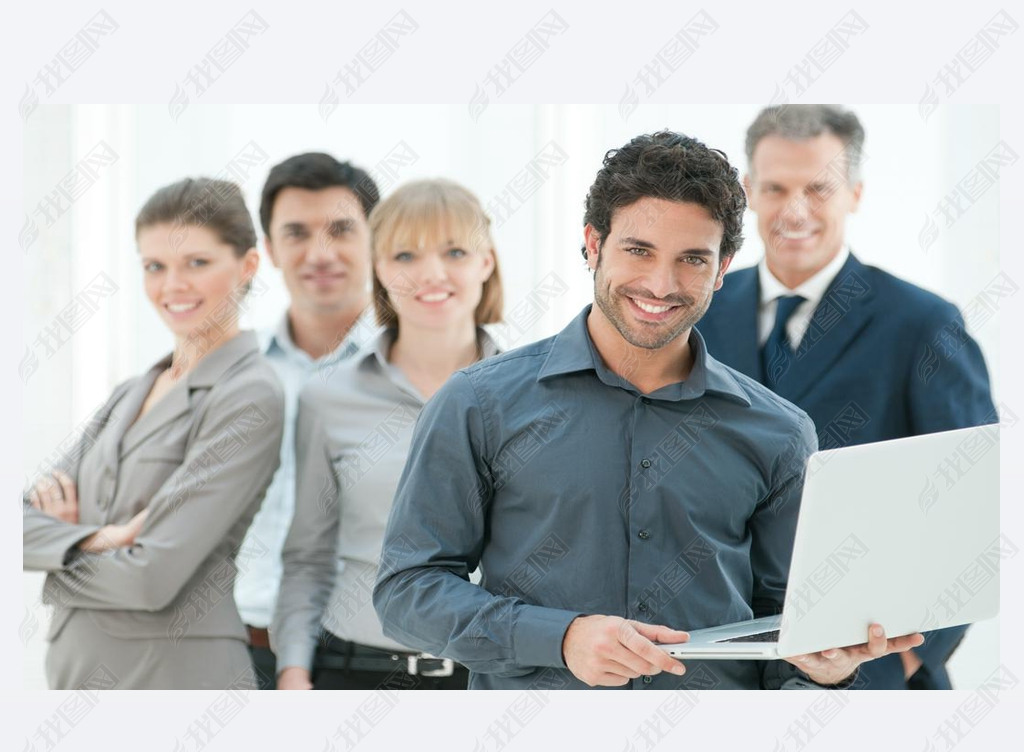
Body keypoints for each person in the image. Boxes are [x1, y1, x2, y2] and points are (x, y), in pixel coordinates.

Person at [373, 132, 922, 691]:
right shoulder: (478, 403)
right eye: (638, 250)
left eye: (692, 259)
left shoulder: (779, 432)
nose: (661, 285)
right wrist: (558, 638)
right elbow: (407, 591)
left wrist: (825, 674)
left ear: (723, 266)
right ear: (593, 244)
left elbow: (787, 629)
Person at [697, 105, 998, 690]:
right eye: (775, 187)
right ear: (747, 193)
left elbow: (971, 505)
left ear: (855, 193)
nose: (795, 210)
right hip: (719, 662)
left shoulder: (922, 324)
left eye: (819, 188)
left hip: (868, 666)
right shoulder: (698, 312)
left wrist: (909, 659)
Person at [24, 178, 285, 690]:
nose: (172, 286)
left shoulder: (249, 395)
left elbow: (150, 578)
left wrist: (53, 561)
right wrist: (103, 539)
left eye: (197, 263)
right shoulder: (131, 391)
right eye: (154, 267)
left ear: (248, 266)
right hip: (78, 679)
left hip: (174, 679)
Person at [274, 179, 504, 690]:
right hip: (354, 672)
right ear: (378, 267)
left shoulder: (534, 392)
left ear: (486, 262)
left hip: (493, 677)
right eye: (405, 255)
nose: (431, 274)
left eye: (455, 251)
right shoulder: (328, 396)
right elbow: (307, 554)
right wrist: (292, 673)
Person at [235, 153, 380, 687]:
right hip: (246, 647)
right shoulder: (235, 371)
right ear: (269, 249)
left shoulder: (416, 369)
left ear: (376, 238)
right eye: (296, 233)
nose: (320, 252)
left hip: (376, 654)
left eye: (341, 229)